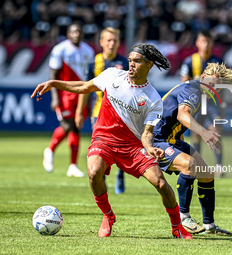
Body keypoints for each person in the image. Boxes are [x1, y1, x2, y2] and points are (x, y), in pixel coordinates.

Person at [31, 43, 192, 239]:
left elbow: (147, 132)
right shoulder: (112, 76)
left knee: (160, 183)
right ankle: (108, 216)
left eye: (137, 61)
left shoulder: (153, 99)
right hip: (104, 139)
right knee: (93, 172)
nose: (131, 65)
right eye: (130, 60)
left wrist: (149, 147)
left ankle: (177, 226)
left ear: (149, 65)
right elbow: (83, 86)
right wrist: (55, 83)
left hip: (132, 146)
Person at [154, 63, 232, 235]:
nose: (214, 89)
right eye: (212, 84)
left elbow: (175, 119)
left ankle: (210, 226)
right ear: (203, 77)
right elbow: (182, 114)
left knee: (206, 174)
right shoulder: (193, 90)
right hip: (156, 140)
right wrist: (204, 133)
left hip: (172, 139)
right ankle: (184, 219)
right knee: (189, 164)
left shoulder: (199, 92)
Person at [75, 27, 128, 194]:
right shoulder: (93, 63)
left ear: (119, 43)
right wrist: (78, 111)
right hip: (99, 113)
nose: (111, 43)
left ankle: (120, 174)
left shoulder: (125, 63)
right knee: (100, 148)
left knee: (120, 148)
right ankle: (101, 180)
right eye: (108, 40)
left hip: (120, 114)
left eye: (114, 40)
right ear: (101, 42)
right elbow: (85, 88)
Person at [43, 22, 94, 177]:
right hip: (64, 95)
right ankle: (50, 150)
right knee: (67, 125)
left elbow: (90, 77)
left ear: (82, 34)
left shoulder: (88, 51)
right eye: (73, 31)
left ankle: (72, 166)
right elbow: (53, 74)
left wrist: (90, 99)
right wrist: (54, 97)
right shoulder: (60, 49)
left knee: (76, 127)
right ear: (68, 34)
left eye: (79, 31)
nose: (76, 34)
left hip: (82, 95)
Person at [180, 30, 225, 177]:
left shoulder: (217, 62)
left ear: (211, 43)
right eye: (202, 41)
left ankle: (219, 166)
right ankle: (198, 165)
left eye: (208, 42)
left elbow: (222, 86)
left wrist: (222, 104)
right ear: (197, 43)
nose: (205, 45)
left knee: (215, 131)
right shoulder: (190, 61)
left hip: (212, 104)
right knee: (196, 134)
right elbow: (184, 84)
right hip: (196, 103)